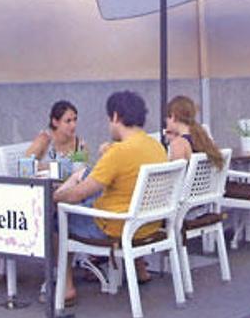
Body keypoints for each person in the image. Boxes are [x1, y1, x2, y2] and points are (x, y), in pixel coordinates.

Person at [53, 91, 167, 305]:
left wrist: (55, 196)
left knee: (57, 219)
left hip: (115, 226)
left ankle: (66, 286)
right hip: (149, 225)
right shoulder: (156, 146)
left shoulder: (119, 153)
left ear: (115, 117)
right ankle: (140, 269)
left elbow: (78, 194)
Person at [165, 95, 224, 170]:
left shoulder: (179, 144)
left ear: (173, 116)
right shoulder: (202, 138)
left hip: (185, 182)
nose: (166, 121)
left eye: (167, 117)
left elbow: (175, 176)